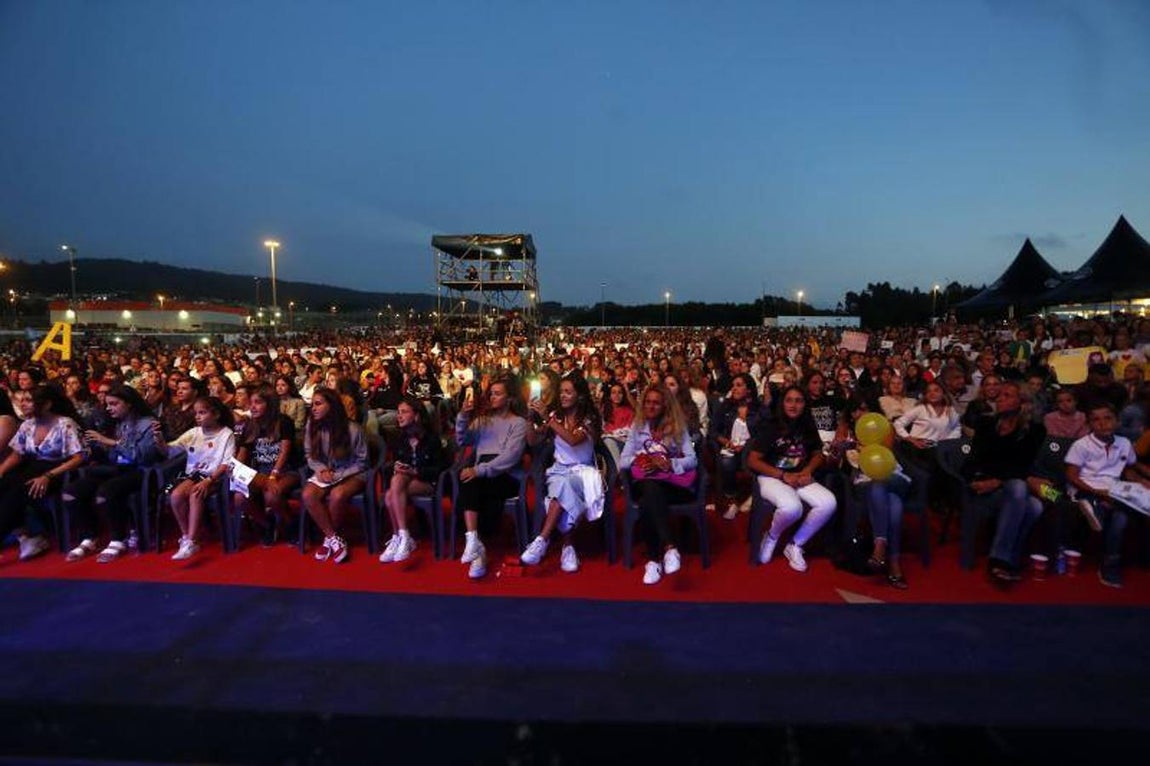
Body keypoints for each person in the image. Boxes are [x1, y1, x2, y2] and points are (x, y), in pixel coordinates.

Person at [62, 384, 163, 562]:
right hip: (117, 468)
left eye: (114, 404)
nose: (109, 408)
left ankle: (118, 538)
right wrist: (94, 446)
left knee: (106, 492)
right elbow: (112, 455)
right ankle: (89, 536)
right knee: (71, 492)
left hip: (141, 471)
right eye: (108, 404)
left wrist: (109, 442)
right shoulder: (117, 424)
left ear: (129, 404)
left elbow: (142, 457)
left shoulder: (148, 424)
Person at [960, 381, 1048, 583]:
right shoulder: (986, 424)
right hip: (984, 488)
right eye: (999, 395)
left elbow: (1022, 464)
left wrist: (999, 479)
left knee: (1034, 504)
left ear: (1022, 403)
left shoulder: (1035, 430)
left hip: (1008, 487)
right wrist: (990, 479)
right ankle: (1007, 560)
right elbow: (976, 461)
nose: (999, 398)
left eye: (1007, 395)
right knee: (1021, 489)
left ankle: (1000, 559)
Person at [746, 385, 837, 572]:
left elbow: (818, 453)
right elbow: (752, 460)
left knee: (829, 502)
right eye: (789, 400)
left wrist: (808, 471)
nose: (793, 405)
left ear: (805, 404)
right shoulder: (772, 425)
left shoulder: (808, 424)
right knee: (792, 508)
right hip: (772, 475)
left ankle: (795, 544)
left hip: (799, 475)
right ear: (782, 403)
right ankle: (772, 536)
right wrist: (782, 475)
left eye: (798, 400)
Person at [520, 377, 604, 573]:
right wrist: (530, 418)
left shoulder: (589, 417)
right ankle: (567, 546)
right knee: (562, 484)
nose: (563, 396)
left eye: (568, 392)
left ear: (579, 395)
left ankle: (543, 539)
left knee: (563, 487)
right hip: (559, 470)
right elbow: (532, 441)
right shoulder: (557, 415)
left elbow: (573, 440)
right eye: (561, 392)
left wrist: (549, 419)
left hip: (583, 473)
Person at [618, 383, 698, 585]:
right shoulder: (638, 428)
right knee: (650, 489)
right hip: (645, 481)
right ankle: (669, 548)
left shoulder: (678, 427)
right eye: (647, 402)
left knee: (649, 497)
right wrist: (641, 458)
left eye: (656, 403)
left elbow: (692, 459)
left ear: (665, 406)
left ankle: (654, 559)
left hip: (672, 484)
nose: (651, 407)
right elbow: (623, 460)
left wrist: (669, 463)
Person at [1064, 401, 1150, 588]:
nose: (1102, 423)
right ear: (1089, 424)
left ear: (1117, 421)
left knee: (1121, 517)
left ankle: (1109, 562)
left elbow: (1129, 469)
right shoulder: (1082, 445)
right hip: (1086, 486)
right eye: (1096, 420)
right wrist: (1096, 491)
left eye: (1108, 418)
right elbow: (1071, 475)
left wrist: (1141, 481)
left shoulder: (1124, 443)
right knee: (1108, 505)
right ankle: (1093, 504)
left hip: (1113, 488)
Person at [0, 385, 87, 561]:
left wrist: (48, 476)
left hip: (59, 470)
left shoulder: (65, 424)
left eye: (29, 401)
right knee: (5, 482)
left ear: (46, 404)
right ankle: (26, 538)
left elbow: (79, 457)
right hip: (33, 468)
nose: (23, 405)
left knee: (18, 491)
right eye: (22, 400)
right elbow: (17, 454)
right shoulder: (27, 425)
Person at [454, 375, 529, 579]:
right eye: (491, 394)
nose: (492, 398)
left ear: (509, 398)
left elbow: (510, 458)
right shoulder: (482, 420)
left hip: (507, 475)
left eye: (497, 394)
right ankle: (475, 543)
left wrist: (480, 470)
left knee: (471, 480)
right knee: (469, 480)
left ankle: (475, 544)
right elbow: (462, 440)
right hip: (483, 475)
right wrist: (462, 416)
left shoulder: (519, 423)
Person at [156, 396, 236, 561]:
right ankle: (186, 536)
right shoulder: (193, 433)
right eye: (196, 413)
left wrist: (209, 480)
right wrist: (159, 439)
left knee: (196, 493)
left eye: (203, 412)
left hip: (215, 477)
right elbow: (171, 450)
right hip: (194, 474)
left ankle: (192, 540)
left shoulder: (226, 434)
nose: (197, 416)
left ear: (216, 414)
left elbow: (228, 463)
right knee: (176, 495)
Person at [301, 387, 369, 564]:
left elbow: (362, 462)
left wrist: (338, 475)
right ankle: (332, 537)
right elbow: (309, 454)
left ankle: (327, 540)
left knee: (337, 495)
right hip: (325, 472)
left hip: (353, 472)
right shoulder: (312, 425)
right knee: (308, 494)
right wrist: (321, 470)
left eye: (318, 404)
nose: (313, 408)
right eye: (312, 405)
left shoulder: (353, 429)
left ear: (331, 406)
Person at [379, 396, 446, 563]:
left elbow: (438, 470)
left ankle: (402, 535)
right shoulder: (400, 439)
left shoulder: (432, 439)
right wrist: (397, 467)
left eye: (404, 412)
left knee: (393, 489)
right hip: (406, 483)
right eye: (398, 412)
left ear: (416, 416)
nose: (399, 416)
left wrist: (414, 471)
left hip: (429, 482)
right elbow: (396, 464)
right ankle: (400, 536)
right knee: (391, 492)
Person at [232, 384, 300, 547]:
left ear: (269, 404)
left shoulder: (283, 421)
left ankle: (291, 524)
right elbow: (243, 452)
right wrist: (236, 469)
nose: (252, 407)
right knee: (239, 498)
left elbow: (284, 452)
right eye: (251, 402)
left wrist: (273, 475)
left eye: (258, 402)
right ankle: (266, 524)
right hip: (260, 473)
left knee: (272, 495)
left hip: (286, 470)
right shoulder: (250, 425)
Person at [708, 373, 764, 519]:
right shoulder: (725, 406)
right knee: (726, 461)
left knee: (749, 461)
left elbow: (765, 434)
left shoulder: (759, 409)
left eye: (739, 385)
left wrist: (746, 446)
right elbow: (713, 430)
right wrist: (726, 442)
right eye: (733, 385)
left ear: (749, 389)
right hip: (730, 446)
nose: (734, 389)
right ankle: (732, 498)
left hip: (752, 450)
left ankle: (742, 499)